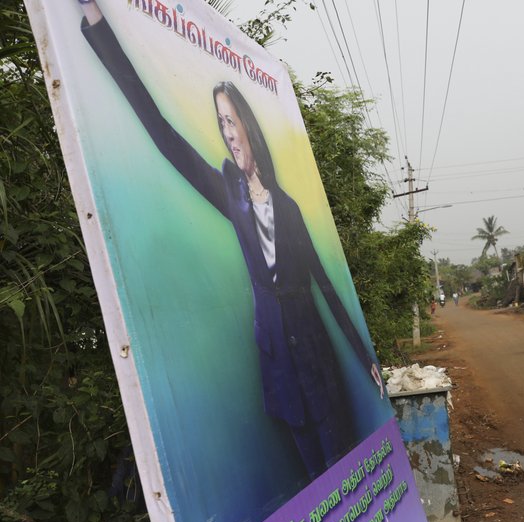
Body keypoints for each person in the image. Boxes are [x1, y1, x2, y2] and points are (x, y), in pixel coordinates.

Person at [78, 1, 383, 479]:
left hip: (319, 364)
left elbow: (325, 285)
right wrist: (97, 21)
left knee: (347, 473)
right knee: (314, 481)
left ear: (248, 126)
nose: (227, 134)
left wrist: (364, 357)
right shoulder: (229, 194)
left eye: (231, 121)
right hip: (280, 370)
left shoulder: (289, 207)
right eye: (220, 124)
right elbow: (160, 130)